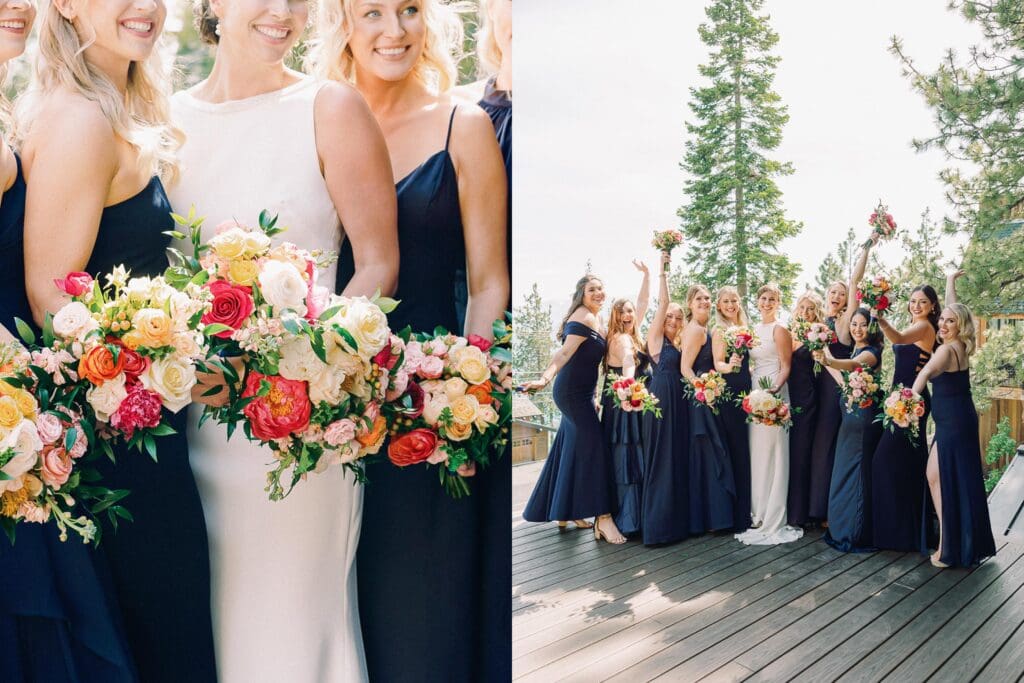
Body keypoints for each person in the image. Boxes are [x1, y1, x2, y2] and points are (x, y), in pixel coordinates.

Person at [169, 0, 400, 679]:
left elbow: (378, 262)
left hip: (297, 428)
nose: (285, 11)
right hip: (195, 422)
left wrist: (291, 368)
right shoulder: (167, 122)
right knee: (215, 625)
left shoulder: (330, 106)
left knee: (297, 624)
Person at [310, 2, 509, 678]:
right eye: (373, 11)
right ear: (340, 20)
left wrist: (463, 391)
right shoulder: (308, 119)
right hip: (319, 408)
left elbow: (488, 282)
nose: (394, 29)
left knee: (416, 616)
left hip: (423, 417)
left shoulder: (466, 127)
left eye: (411, 10)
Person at [19, 0, 215, 679]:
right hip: (122, 457)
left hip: (131, 436)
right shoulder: (82, 120)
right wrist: (177, 366)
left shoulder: (99, 105)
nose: (146, 7)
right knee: (167, 639)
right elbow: (54, 301)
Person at [523, 275, 623, 541]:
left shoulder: (596, 317)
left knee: (567, 447)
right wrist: (544, 378)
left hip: (584, 394)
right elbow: (564, 354)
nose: (598, 293)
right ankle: (603, 517)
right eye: (592, 290)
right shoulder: (584, 317)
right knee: (596, 449)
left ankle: (564, 510)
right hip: (571, 393)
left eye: (601, 288)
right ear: (581, 294)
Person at [912, 303, 996, 568]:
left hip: (953, 423)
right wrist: (949, 283)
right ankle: (953, 541)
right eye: (943, 320)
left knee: (944, 478)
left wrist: (907, 401)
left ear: (960, 325)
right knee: (939, 476)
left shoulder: (947, 350)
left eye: (950, 321)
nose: (943, 325)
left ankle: (948, 547)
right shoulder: (960, 344)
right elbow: (952, 307)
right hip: (958, 418)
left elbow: (924, 373)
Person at [871, 285, 938, 551]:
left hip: (912, 402)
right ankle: (904, 532)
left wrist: (880, 319)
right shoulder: (917, 325)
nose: (916, 306)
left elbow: (897, 338)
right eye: (912, 301)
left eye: (922, 302)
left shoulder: (924, 327)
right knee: (902, 462)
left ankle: (902, 533)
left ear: (933, 306)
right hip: (899, 399)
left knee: (884, 461)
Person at [735, 284, 803, 546]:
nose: (766, 303)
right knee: (758, 453)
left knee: (774, 452)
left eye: (772, 299)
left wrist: (773, 391)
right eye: (763, 298)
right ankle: (758, 513)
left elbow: (786, 366)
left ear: (778, 302)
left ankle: (773, 514)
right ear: (757, 301)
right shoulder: (752, 331)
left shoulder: (780, 329)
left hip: (775, 393)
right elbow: (754, 363)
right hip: (755, 393)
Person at [814, 307, 884, 552]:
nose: (857, 329)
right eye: (853, 324)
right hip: (849, 417)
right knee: (843, 472)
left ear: (871, 327)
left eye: (862, 324)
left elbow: (853, 365)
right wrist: (821, 351)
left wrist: (829, 359)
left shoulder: (870, 353)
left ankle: (855, 532)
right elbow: (843, 381)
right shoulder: (855, 347)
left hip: (862, 420)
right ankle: (842, 526)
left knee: (856, 473)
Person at [640, 252, 689, 545]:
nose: (672, 319)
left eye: (677, 317)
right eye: (668, 315)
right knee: (660, 460)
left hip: (679, 404)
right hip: (659, 402)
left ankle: (676, 525)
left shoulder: (679, 342)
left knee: (676, 459)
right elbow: (660, 304)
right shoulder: (655, 339)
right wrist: (663, 271)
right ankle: (657, 529)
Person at [600, 262, 649, 536]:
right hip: (623, 405)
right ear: (615, 317)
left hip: (622, 402)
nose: (628, 315)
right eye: (622, 312)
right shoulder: (621, 340)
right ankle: (627, 519)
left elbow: (643, 302)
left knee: (630, 458)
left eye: (629, 311)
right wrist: (630, 384)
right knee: (626, 460)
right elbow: (629, 362)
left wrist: (648, 275)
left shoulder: (628, 332)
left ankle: (629, 516)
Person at [680, 284, 735, 534]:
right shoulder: (693, 330)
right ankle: (713, 518)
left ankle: (714, 517)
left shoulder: (704, 328)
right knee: (710, 454)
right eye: (699, 298)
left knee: (713, 454)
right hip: (701, 400)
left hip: (710, 396)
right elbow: (685, 368)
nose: (704, 302)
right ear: (690, 303)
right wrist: (702, 390)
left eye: (707, 298)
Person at [711, 285, 752, 531]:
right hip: (730, 391)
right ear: (719, 305)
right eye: (725, 301)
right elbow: (718, 363)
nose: (730, 305)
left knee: (745, 449)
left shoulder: (744, 329)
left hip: (746, 389)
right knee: (737, 450)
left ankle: (747, 508)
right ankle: (737, 516)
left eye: (734, 300)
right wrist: (731, 365)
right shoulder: (719, 330)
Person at [786, 291, 822, 526]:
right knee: (786, 452)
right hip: (785, 395)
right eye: (802, 307)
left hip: (805, 397)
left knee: (800, 452)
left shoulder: (816, 335)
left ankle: (799, 513)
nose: (806, 312)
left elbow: (822, 360)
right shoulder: (788, 333)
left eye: (810, 309)